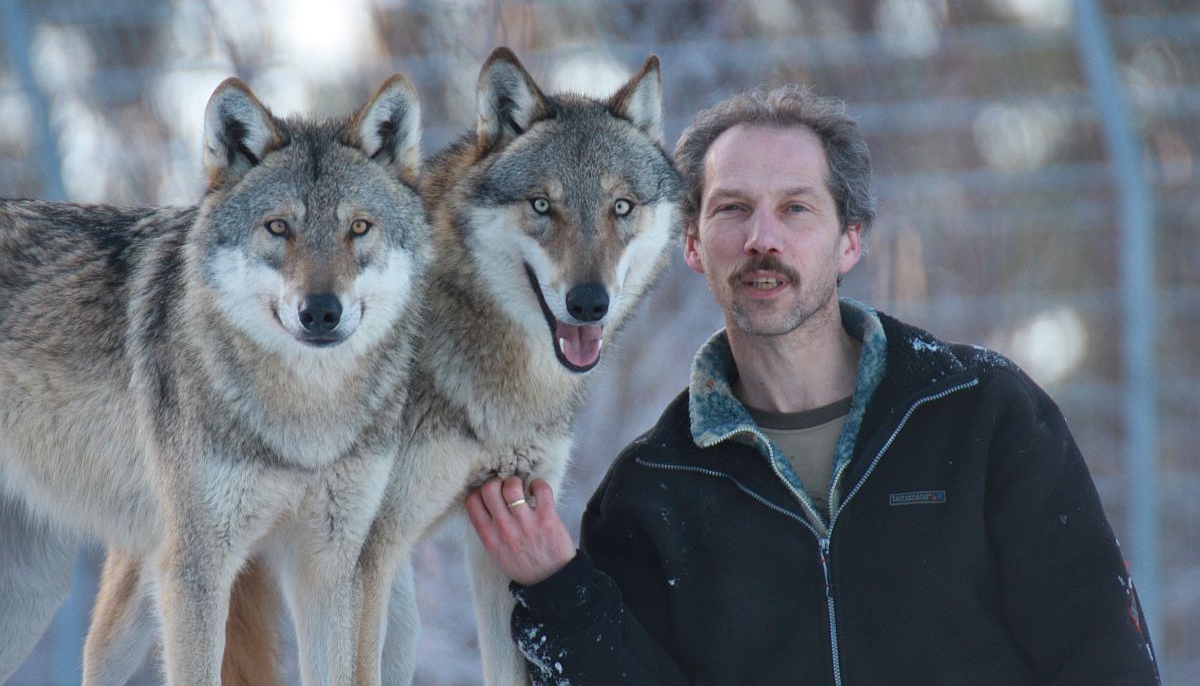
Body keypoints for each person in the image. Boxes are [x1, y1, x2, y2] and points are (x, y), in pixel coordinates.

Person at [465, 85, 1161, 685]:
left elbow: (1101, 655)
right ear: (691, 246)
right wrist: (562, 591)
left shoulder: (980, 413)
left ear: (849, 240)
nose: (761, 239)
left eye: (796, 209)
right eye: (732, 209)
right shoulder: (652, 489)